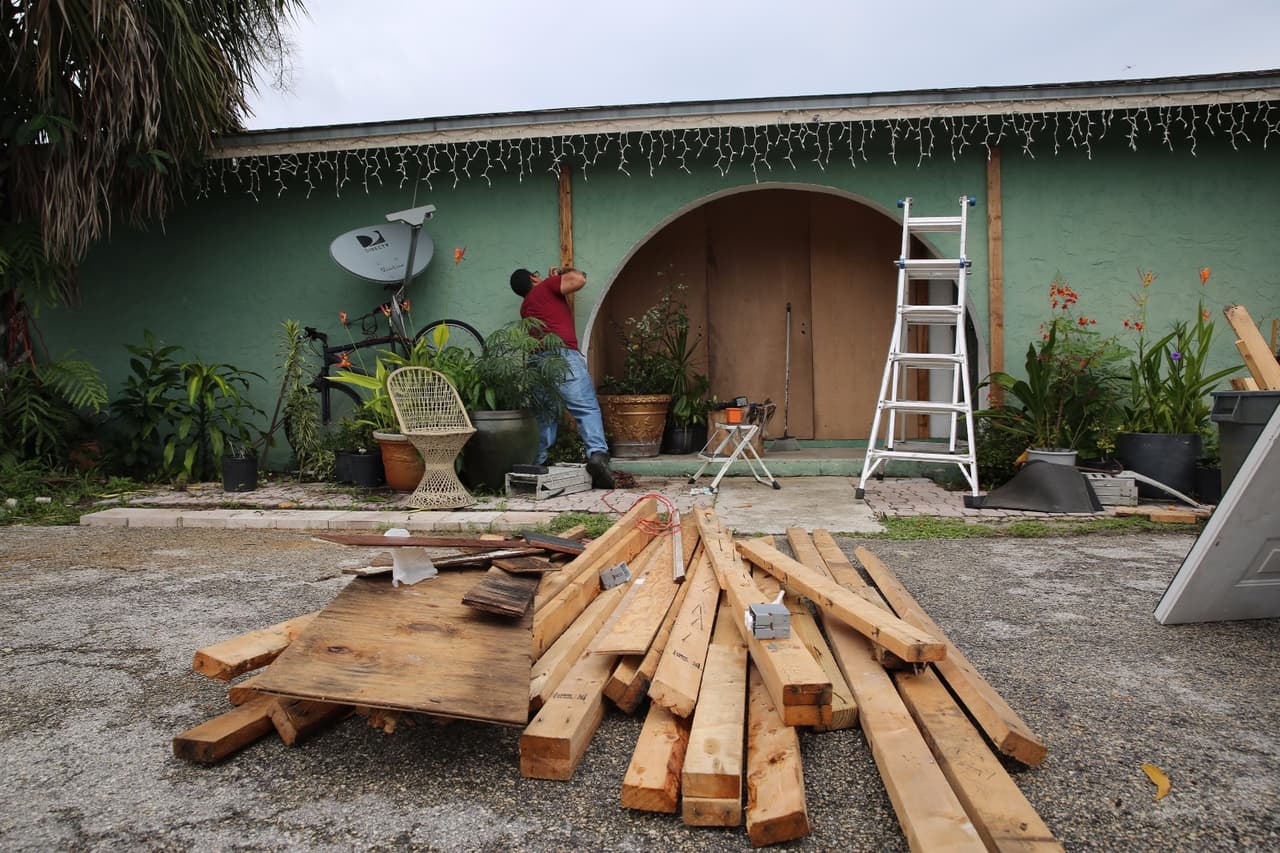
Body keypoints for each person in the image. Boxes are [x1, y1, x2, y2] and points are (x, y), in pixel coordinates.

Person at [510, 266, 615, 489]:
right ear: (532, 278)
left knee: (545, 414)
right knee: (585, 408)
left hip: (537, 361)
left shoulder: (525, 307)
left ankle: (539, 462)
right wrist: (561, 272)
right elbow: (580, 279)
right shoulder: (546, 287)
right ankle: (597, 455)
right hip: (562, 355)